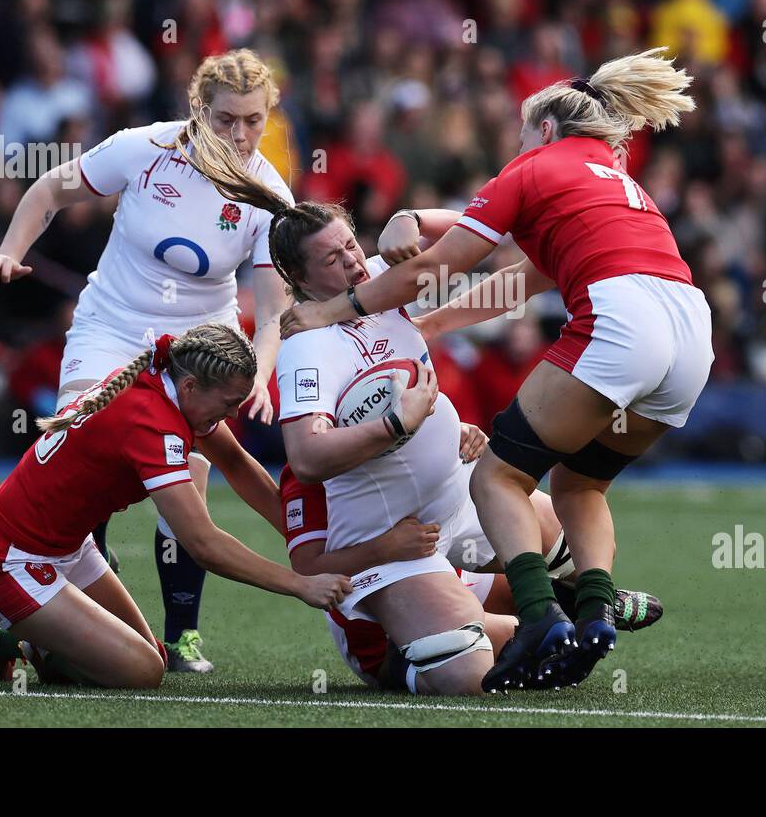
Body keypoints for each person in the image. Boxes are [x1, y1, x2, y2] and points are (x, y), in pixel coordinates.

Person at [280, 48, 711, 691]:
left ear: (542, 131)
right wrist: (428, 303)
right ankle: (593, 611)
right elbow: (519, 281)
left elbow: (434, 267)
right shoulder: (620, 179)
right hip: (690, 331)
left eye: (518, 135)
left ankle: (541, 618)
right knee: (582, 486)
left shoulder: (533, 166)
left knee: (499, 478)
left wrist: (334, 308)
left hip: (623, 323)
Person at [0, 48, 293, 672]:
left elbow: (274, 311)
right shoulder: (146, 147)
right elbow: (50, 190)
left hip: (200, 353)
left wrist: (259, 373)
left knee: (190, 488)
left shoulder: (268, 194)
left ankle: (181, 639)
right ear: (199, 109)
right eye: (226, 118)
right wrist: (10, 250)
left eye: (253, 121)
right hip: (114, 328)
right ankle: (67, 603)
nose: (239, 134)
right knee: (82, 449)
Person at [269, 202, 662, 692]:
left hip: (457, 494)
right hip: (394, 544)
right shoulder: (306, 345)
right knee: (466, 673)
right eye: (331, 260)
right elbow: (306, 459)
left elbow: (492, 237)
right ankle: (510, 632)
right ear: (296, 276)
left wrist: (410, 218)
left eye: (350, 244)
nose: (352, 262)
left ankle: (584, 597)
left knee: (570, 524)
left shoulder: (377, 278)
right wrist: (395, 425)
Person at [0, 323, 351, 689]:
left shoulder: (172, 387)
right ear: (193, 385)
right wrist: (301, 584)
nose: (233, 415)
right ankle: (29, 642)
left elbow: (235, 464)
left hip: (67, 549)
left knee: (154, 659)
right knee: (142, 671)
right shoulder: (151, 423)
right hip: (5, 560)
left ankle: (17, 638)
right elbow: (203, 545)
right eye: (230, 403)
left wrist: (303, 538)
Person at [280, 466, 663, 692]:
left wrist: (464, 434)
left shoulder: (411, 423)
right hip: (379, 610)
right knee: (470, 665)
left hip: (436, 566)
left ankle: (586, 600)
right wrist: (385, 548)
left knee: (561, 528)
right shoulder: (313, 468)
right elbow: (311, 567)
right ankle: (559, 634)